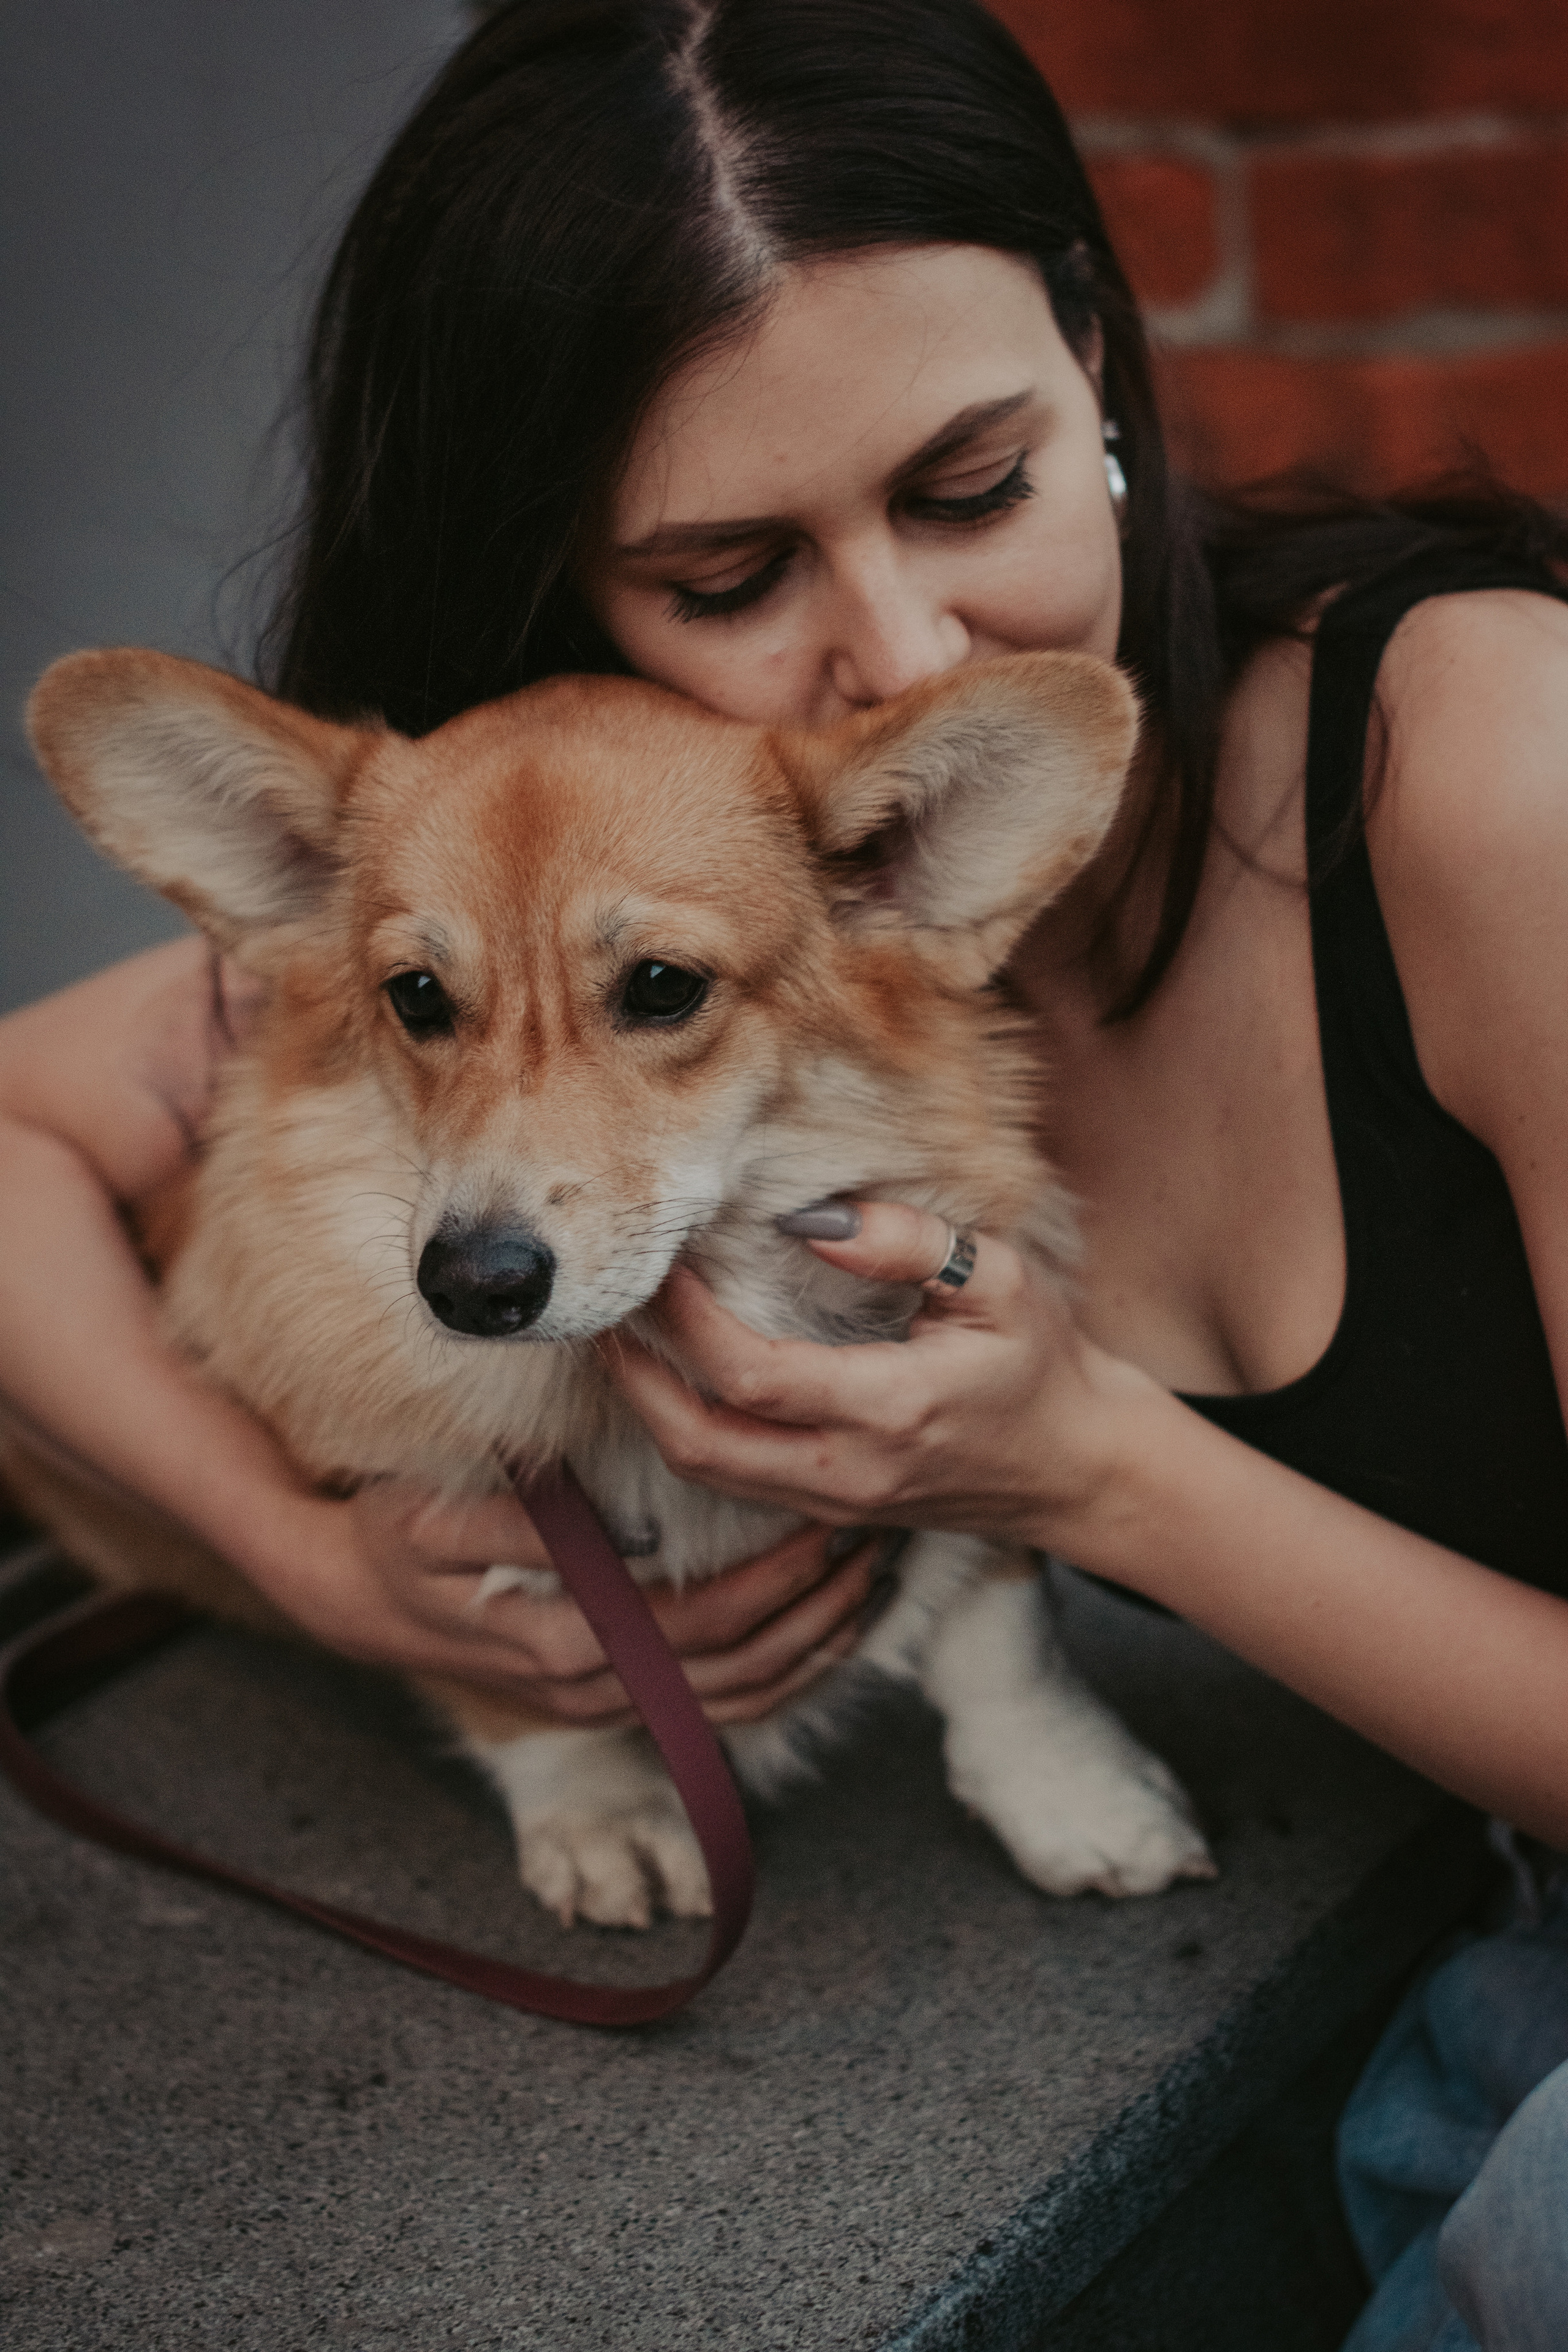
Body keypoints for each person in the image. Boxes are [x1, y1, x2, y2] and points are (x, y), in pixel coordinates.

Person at [1, 3, 1564, 2342]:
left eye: (973, 484)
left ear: (1095, 352)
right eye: (730, 577)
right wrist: (314, 1566)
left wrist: (1084, 1471)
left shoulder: (1500, 773)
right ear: (578, 590)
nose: (899, 651)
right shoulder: (557, 860)